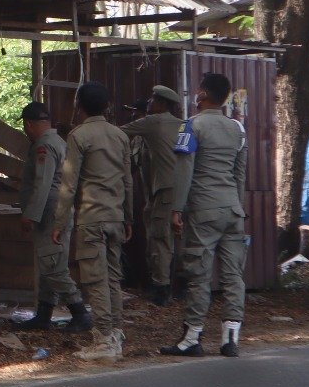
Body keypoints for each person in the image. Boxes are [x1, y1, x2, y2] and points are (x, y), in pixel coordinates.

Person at [159, 74, 248, 358]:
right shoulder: (237, 128)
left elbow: (184, 171)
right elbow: (240, 174)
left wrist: (177, 209)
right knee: (233, 276)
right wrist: (237, 206)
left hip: (203, 210)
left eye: (199, 90)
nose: (196, 93)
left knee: (199, 274)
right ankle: (230, 338)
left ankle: (192, 338)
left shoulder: (191, 125)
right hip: (233, 210)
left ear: (203, 95)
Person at [53, 82, 133, 361]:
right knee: (113, 277)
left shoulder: (78, 136)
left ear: (79, 106)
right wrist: (128, 216)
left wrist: (59, 222)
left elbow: (69, 184)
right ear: (107, 106)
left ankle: (103, 339)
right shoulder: (120, 135)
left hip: (91, 218)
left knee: (96, 280)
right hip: (115, 216)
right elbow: (128, 180)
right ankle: (116, 332)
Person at [12, 101, 93, 334]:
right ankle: (44, 313)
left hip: (49, 212)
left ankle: (79, 312)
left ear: (29, 124)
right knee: (49, 263)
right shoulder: (58, 141)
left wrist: (30, 215)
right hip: (58, 210)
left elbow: (43, 183)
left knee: (53, 266)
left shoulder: (44, 145)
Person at [123, 86, 185, 305]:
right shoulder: (182, 125)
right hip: (179, 189)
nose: (150, 102)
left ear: (162, 103)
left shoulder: (153, 122)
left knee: (160, 238)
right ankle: (177, 285)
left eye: (153, 99)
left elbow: (116, 132)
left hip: (165, 190)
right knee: (173, 238)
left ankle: (162, 288)